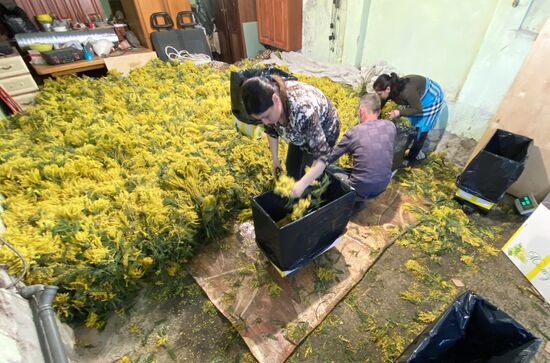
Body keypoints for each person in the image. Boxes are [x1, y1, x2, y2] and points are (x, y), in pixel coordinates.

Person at [241, 75, 340, 198]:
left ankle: (312, 201)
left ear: (276, 99)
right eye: (260, 119)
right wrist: (275, 160)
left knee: (307, 178)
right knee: (291, 170)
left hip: (324, 130)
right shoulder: (270, 104)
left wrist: (302, 184)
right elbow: (272, 131)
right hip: (299, 127)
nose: (265, 122)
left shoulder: (303, 111)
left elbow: (322, 157)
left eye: (266, 116)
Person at [327, 93, 396, 200]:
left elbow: (330, 157)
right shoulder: (391, 126)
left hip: (360, 189)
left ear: (362, 111)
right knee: (355, 170)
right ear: (378, 111)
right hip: (383, 185)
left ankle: (353, 200)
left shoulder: (354, 133)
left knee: (329, 170)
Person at [373, 72, 445, 163]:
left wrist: (398, 112)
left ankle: (411, 158)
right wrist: (376, 114)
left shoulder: (406, 92)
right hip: (416, 98)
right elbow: (383, 100)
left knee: (421, 129)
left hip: (432, 96)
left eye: (379, 93)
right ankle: (406, 146)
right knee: (410, 122)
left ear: (387, 89)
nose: (378, 96)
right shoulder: (391, 89)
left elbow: (418, 109)